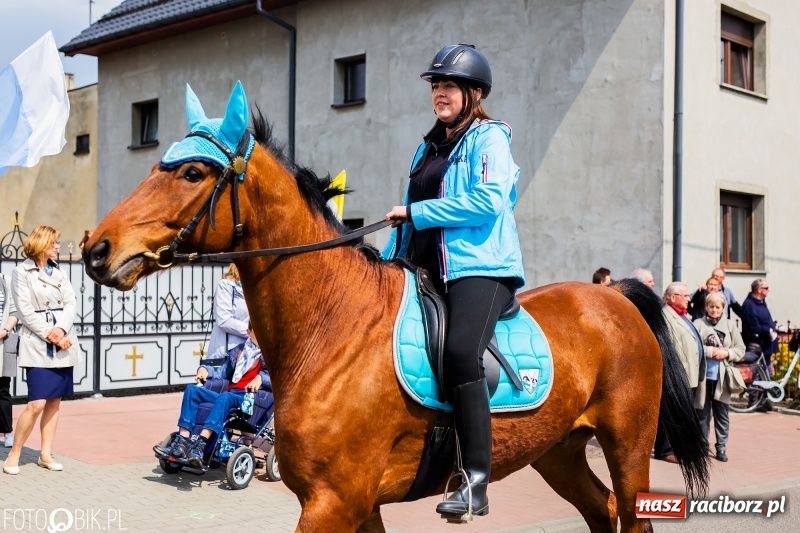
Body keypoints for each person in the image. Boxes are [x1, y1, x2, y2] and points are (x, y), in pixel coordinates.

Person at [383, 44, 525, 519]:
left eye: (449, 86)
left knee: (462, 351)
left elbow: (488, 201)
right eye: (436, 86)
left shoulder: (490, 139)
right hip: (422, 268)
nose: (440, 94)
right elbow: (406, 218)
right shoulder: (427, 146)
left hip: (479, 268)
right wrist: (382, 263)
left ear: (474, 93)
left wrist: (416, 212)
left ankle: (475, 482)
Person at [3, 226, 80, 475]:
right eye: (54, 243)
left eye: (58, 243)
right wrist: (52, 334)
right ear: (42, 243)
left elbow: (71, 302)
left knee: (55, 401)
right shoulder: (20, 272)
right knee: (36, 402)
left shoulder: (59, 270)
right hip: (38, 343)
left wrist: (61, 329)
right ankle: (15, 452)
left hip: (63, 339)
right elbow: (25, 311)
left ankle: (45, 454)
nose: (58, 246)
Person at [154, 323, 270, 468]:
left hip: (247, 398)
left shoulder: (269, 354)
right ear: (248, 332)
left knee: (224, 397)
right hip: (229, 395)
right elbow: (222, 371)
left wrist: (261, 379)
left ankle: (201, 443)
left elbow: (277, 378)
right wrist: (205, 370)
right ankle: (182, 442)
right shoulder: (239, 351)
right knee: (192, 390)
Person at [654, 282, 705, 464]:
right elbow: (667, 348)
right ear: (673, 297)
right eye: (685, 295)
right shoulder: (666, 317)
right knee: (671, 414)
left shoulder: (682, 315)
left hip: (688, 372)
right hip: (677, 374)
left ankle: (680, 448)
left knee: (683, 413)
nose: (689, 298)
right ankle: (664, 450)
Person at [693, 292, 745, 462]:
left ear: (723, 308)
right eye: (711, 306)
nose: (714, 310)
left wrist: (726, 352)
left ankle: (721, 447)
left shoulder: (730, 326)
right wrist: (709, 351)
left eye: (718, 307)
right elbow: (694, 346)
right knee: (702, 415)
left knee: (722, 415)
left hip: (722, 380)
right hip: (703, 379)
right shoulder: (698, 324)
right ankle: (701, 446)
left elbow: (740, 349)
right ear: (706, 307)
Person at [740, 278, 777, 411]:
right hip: (756, 343)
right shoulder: (750, 305)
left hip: (765, 343)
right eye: (766, 288)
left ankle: (764, 400)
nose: (768, 290)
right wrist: (767, 330)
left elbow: (765, 320)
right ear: (759, 290)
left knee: (766, 373)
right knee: (755, 373)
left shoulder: (761, 302)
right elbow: (753, 326)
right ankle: (753, 401)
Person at [206, 263, 249, 359]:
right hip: (225, 355)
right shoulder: (225, 285)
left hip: (249, 355)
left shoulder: (254, 289)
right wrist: (252, 333)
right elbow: (224, 320)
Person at [0, 273, 20, 448]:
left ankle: (7, 432)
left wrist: (5, 330)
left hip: (2, 343)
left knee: (3, 390)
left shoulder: (4, 281)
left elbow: (14, 311)